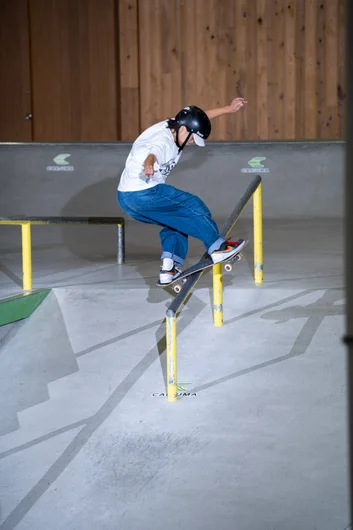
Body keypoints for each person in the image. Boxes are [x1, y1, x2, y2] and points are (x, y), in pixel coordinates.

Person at [117, 97, 248, 285]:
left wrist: (228, 109)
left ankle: (168, 268)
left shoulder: (175, 125)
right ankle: (217, 247)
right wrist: (149, 164)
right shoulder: (164, 143)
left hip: (126, 198)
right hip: (144, 194)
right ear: (184, 130)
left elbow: (198, 117)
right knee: (193, 206)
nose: (192, 143)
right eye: (193, 139)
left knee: (177, 221)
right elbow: (153, 152)